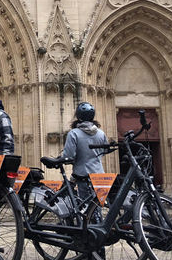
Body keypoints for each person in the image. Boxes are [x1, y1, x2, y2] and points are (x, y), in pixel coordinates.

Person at [61, 102, 108, 258]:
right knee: (97, 211)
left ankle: (88, 247)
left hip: (83, 177)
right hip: (100, 177)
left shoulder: (74, 133)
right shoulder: (101, 133)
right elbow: (103, 151)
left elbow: (69, 156)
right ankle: (99, 249)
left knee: (85, 212)